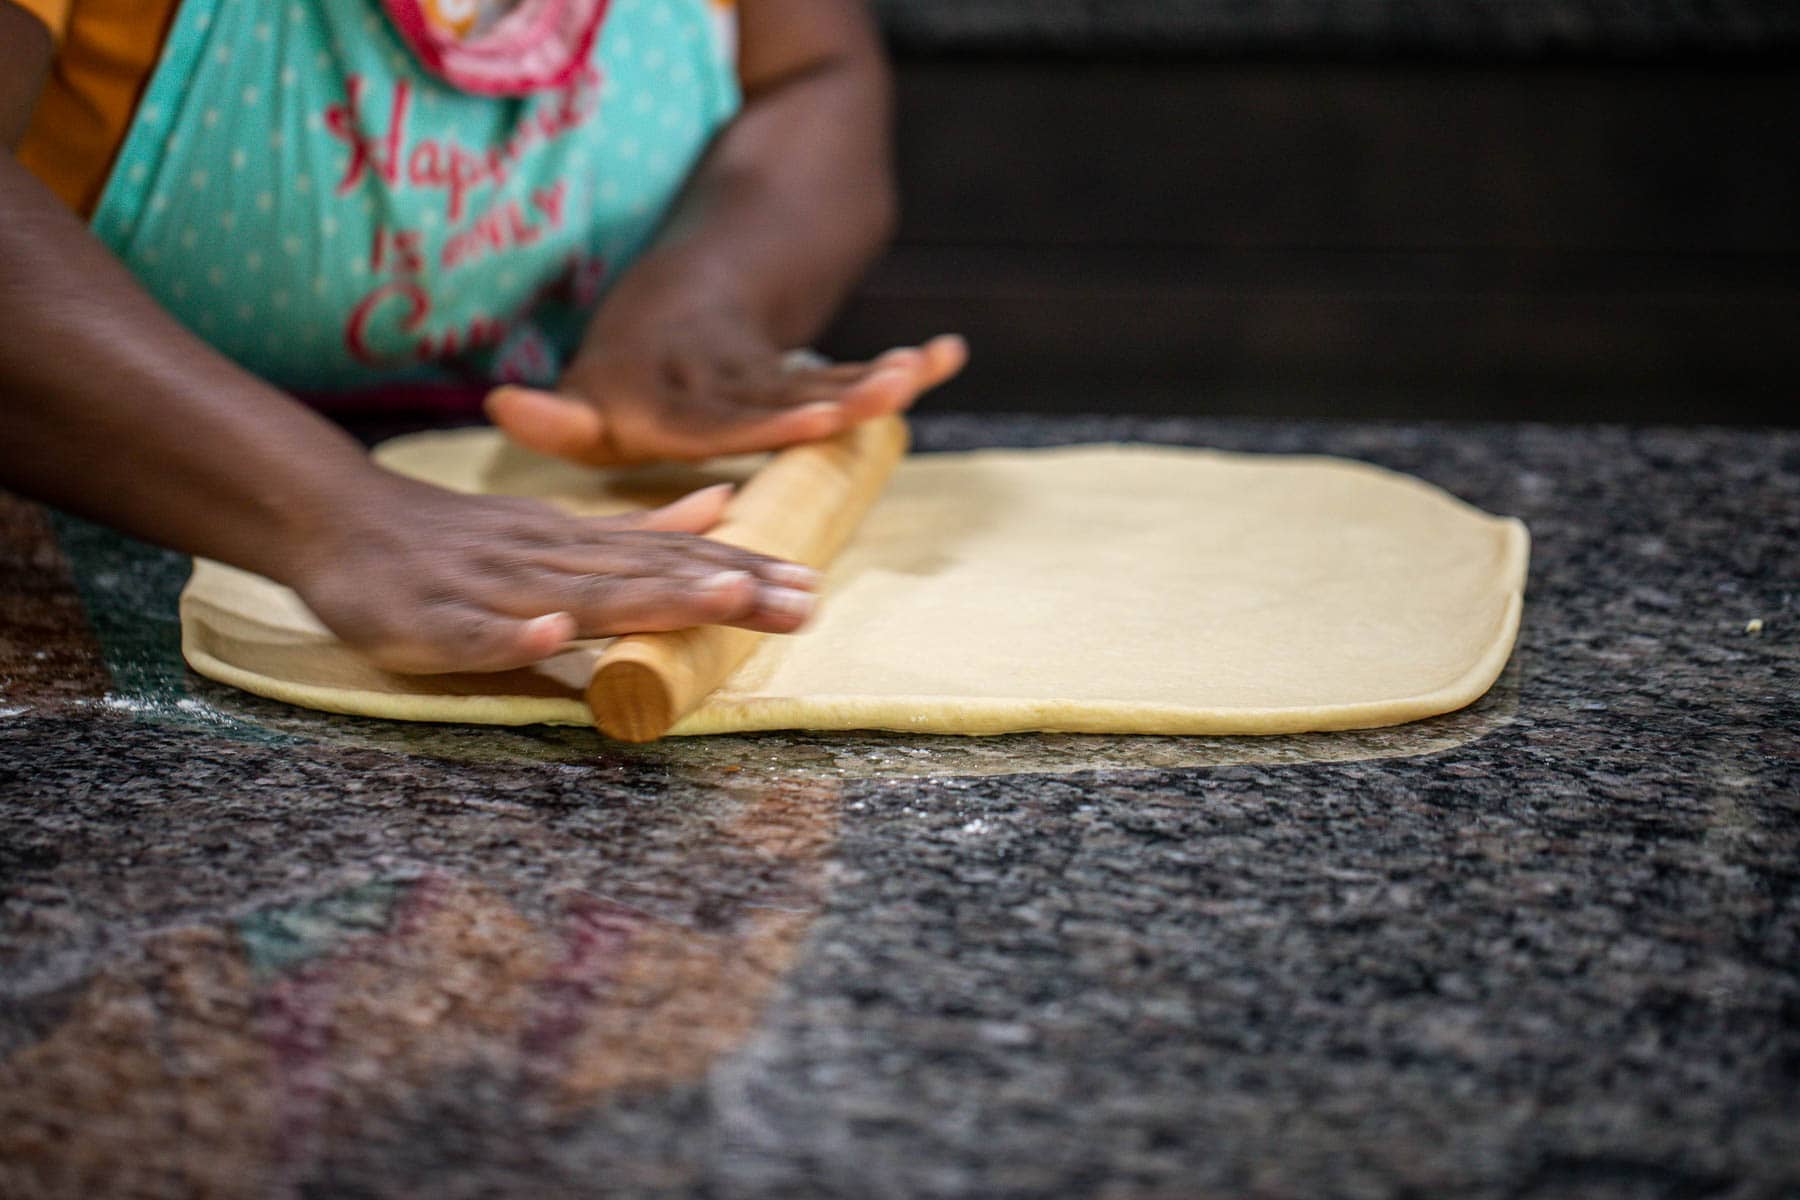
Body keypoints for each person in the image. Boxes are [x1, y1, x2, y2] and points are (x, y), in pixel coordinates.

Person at [0, 0, 967, 674]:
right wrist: (330, 512)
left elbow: (812, 75)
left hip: (543, 489)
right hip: (87, 541)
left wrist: (706, 293)